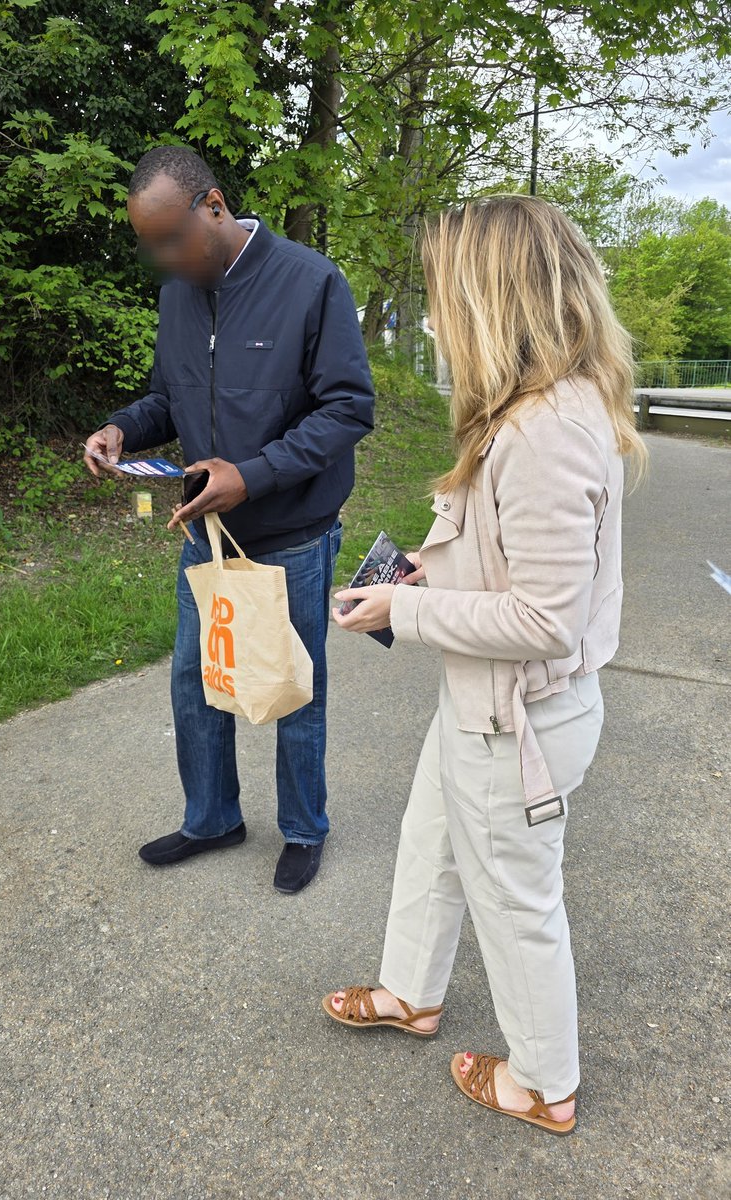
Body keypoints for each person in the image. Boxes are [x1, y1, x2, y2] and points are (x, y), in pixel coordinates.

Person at [322, 194, 648, 1133]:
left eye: (442, 297)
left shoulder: (546, 429)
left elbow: (546, 618)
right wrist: (433, 564)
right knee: (431, 847)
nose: (432, 318)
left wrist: (405, 607)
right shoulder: (535, 410)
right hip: (489, 704)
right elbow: (515, 555)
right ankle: (409, 992)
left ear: (494, 298)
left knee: (514, 900)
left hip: (519, 719)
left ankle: (545, 1084)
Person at [84, 145, 374, 894]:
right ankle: (212, 817)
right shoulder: (179, 295)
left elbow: (348, 408)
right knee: (195, 678)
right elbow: (168, 398)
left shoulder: (311, 281)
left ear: (213, 206)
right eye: (148, 245)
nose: (162, 258)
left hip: (296, 533)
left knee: (293, 688)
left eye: (171, 237)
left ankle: (305, 829)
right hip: (206, 535)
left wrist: (255, 474)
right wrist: (122, 428)